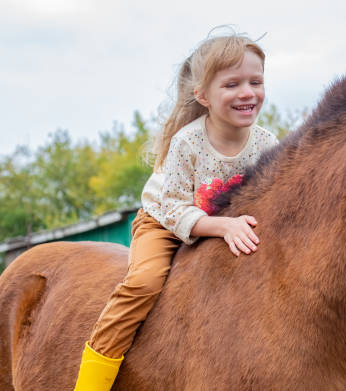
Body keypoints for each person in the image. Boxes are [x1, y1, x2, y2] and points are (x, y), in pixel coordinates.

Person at [73, 27, 278, 390]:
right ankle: (91, 382)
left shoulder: (267, 143)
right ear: (202, 95)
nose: (247, 93)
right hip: (163, 223)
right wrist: (224, 227)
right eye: (231, 85)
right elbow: (172, 208)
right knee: (143, 283)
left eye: (256, 81)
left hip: (223, 224)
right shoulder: (188, 142)